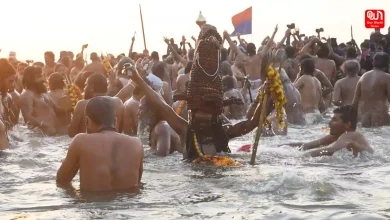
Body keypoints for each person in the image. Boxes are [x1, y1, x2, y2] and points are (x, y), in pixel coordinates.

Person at [129, 24, 263, 160]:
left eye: (207, 112)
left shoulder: (222, 133)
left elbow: (252, 123)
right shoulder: (186, 131)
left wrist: (264, 97)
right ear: (192, 111)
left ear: (217, 113)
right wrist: (137, 79)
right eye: (200, 112)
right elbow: (161, 104)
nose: (203, 117)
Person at [57, 97, 143, 191]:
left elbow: (61, 181)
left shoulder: (80, 141)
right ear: (115, 121)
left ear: (87, 121)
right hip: (129, 204)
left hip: (92, 203)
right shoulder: (136, 143)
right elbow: (138, 183)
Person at [281, 105, 373, 157]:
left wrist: (298, 158)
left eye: (334, 120)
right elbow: (306, 145)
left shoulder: (351, 135)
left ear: (347, 124)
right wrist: (278, 148)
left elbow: (330, 150)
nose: (329, 123)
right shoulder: (336, 136)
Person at [224, 25, 279, 99]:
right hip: (257, 86)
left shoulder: (245, 58)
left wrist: (227, 38)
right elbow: (268, 45)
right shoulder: (259, 56)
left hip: (248, 87)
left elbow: (234, 47)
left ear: (247, 50)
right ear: (255, 49)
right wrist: (274, 33)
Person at [68, 73, 124, 137]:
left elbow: (72, 133)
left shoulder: (82, 104)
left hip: (90, 145)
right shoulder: (118, 102)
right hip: (114, 144)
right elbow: (120, 131)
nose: (84, 88)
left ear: (92, 87)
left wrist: (72, 114)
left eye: (86, 85)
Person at [20, 66, 64, 136]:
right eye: (39, 76)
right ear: (31, 78)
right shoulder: (27, 94)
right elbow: (27, 117)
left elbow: (57, 109)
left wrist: (73, 107)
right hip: (38, 135)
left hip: (52, 134)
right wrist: (44, 124)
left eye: (42, 75)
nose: (42, 78)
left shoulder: (43, 93)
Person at [352, 52, 390, 127]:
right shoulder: (387, 77)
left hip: (363, 117)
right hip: (380, 117)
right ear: (387, 63)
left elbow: (355, 102)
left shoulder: (363, 76)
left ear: (373, 62)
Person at [294, 58, 325, 124]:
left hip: (308, 115)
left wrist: (297, 77)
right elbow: (322, 103)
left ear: (302, 69)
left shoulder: (304, 78)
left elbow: (291, 89)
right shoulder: (318, 81)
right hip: (317, 113)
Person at [0, 59, 17, 149]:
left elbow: (10, 128)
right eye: (10, 81)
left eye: (14, 81)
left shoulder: (7, 98)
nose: (13, 85)